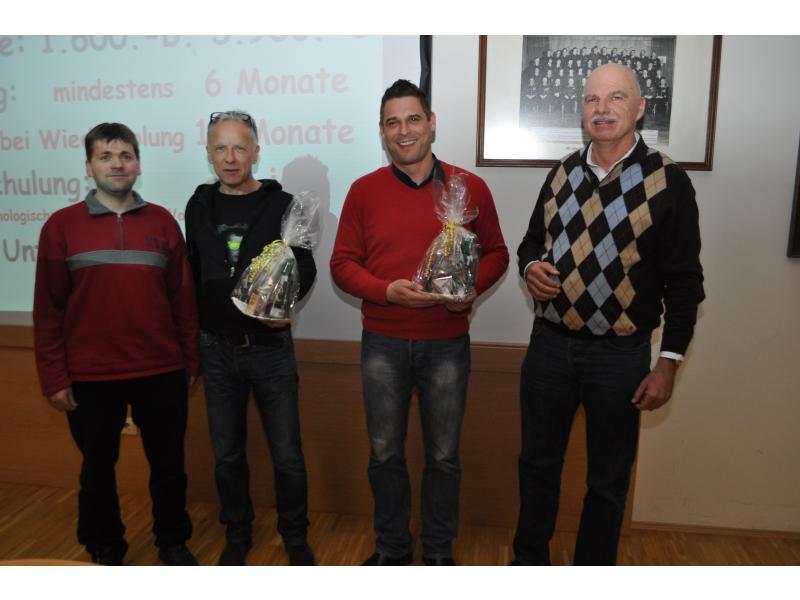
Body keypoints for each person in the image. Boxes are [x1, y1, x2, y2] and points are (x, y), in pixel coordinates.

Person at [512, 64, 705, 565]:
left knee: (607, 482)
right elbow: (531, 242)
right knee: (536, 467)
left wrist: (668, 363)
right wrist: (530, 266)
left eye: (616, 98)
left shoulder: (669, 181)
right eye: (592, 99)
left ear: (640, 108)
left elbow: (686, 284)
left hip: (620, 358)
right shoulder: (562, 173)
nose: (602, 109)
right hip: (549, 348)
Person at [330, 79, 509, 566]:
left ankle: (437, 554)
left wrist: (468, 290)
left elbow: (497, 253)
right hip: (382, 342)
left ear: (431, 123)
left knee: (444, 457)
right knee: (384, 454)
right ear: (382, 131)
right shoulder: (363, 191)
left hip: (447, 343)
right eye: (392, 123)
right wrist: (384, 291)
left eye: (413, 119)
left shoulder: (469, 188)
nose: (403, 131)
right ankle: (391, 550)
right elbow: (342, 264)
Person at [33, 122, 200, 566]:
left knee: (169, 467)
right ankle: (105, 547)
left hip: (161, 369)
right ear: (89, 166)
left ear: (138, 164)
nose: (117, 164)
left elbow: (183, 299)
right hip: (90, 375)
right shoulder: (60, 226)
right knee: (97, 471)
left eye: (125, 155)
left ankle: (173, 541)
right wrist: (54, 377)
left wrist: (190, 363)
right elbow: (48, 309)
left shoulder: (163, 222)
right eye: (105, 156)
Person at [184, 110, 316, 566]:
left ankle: (295, 536)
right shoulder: (197, 206)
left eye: (239, 147)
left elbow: (305, 267)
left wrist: (286, 306)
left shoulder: (284, 205)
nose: (230, 157)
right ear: (208, 154)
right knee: (227, 456)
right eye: (220, 148)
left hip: (270, 351)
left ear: (256, 152)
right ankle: (237, 534)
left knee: (287, 455)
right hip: (216, 350)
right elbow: (192, 271)